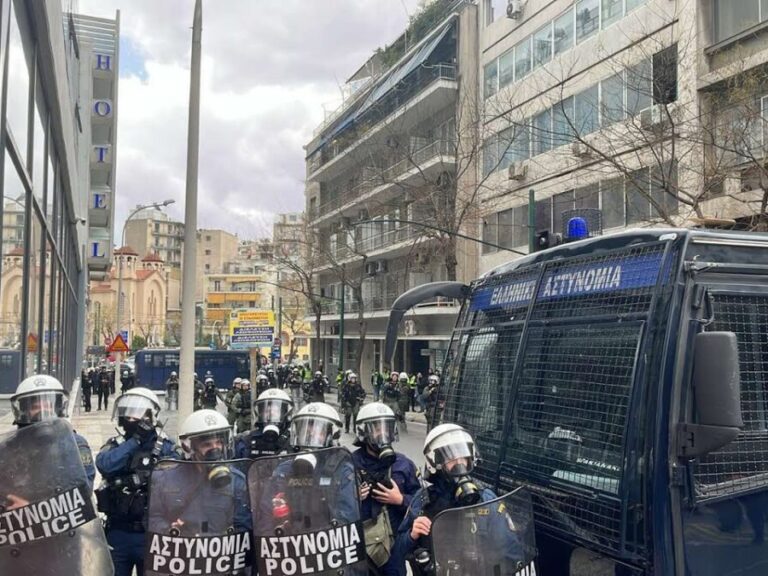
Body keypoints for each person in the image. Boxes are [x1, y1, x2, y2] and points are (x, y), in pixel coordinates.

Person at [391, 424, 519, 576]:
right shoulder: (423, 501)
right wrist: (411, 535)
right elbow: (397, 556)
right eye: (451, 458)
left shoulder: (486, 499)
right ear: (434, 463)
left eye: (463, 457)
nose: (460, 464)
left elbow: (512, 554)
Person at [95, 387, 179, 576]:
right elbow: (105, 465)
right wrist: (134, 441)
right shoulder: (117, 444)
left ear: (151, 416)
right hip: (118, 532)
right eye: (127, 415)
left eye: (136, 415)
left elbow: (178, 480)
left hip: (152, 533)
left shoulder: (165, 447)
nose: (130, 419)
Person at [149, 409, 250, 536]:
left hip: (220, 552)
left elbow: (244, 526)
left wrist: (228, 536)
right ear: (189, 447)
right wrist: (168, 530)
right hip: (179, 550)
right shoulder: (166, 479)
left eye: (219, 443)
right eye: (207, 444)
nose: (215, 449)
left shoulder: (236, 480)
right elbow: (153, 517)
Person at [352, 403, 420, 574]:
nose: (382, 434)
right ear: (363, 432)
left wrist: (400, 500)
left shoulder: (404, 464)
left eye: (387, 429)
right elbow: (333, 507)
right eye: (376, 429)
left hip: (393, 548)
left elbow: (422, 502)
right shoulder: (348, 464)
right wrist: (353, 498)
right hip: (359, 547)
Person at [11, 374, 95, 489]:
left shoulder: (75, 444)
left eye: (47, 406)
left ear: (58, 408)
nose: (42, 411)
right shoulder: (13, 446)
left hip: (64, 505)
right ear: (24, 411)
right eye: (35, 407)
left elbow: (85, 487)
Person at [235, 388, 293, 459]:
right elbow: (235, 466)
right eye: (266, 411)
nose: (271, 414)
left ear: (286, 413)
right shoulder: (247, 441)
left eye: (276, 410)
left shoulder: (293, 441)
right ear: (259, 414)